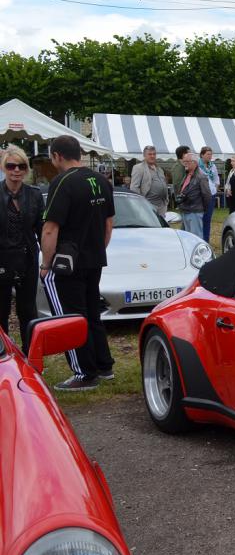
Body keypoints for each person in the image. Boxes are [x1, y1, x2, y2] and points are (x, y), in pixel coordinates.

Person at [39, 135, 115, 391]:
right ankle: (104, 366)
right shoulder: (101, 180)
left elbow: (50, 228)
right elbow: (108, 223)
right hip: (94, 258)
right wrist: (97, 249)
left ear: (57, 155)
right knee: (92, 313)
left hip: (67, 263)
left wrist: (45, 264)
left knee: (71, 317)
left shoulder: (63, 182)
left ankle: (84, 373)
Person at [0, 146, 43, 351]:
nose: (16, 170)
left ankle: (31, 353)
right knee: (1, 309)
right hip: (2, 259)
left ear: (26, 169)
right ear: (4, 168)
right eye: (11, 166)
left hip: (28, 258)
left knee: (28, 310)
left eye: (21, 166)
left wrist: (48, 260)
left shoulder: (34, 195)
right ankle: (3, 355)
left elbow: (42, 230)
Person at [177, 153, 211, 237]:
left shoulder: (201, 176)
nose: (185, 163)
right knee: (187, 237)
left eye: (187, 161)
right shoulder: (188, 174)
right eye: (184, 161)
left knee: (195, 238)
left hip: (194, 211)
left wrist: (202, 209)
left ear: (195, 162)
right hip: (186, 210)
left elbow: (207, 195)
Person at [129, 145, 169, 216]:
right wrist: (141, 203)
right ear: (144, 155)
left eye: (154, 154)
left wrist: (166, 199)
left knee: (161, 226)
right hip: (148, 204)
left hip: (162, 205)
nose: (152, 156)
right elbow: (134, 188)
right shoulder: (138, 168)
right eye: (150, 154)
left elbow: (164, 184)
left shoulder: (159, 169)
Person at [197, 147, 219, 242]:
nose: (210, 156)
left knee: (207, 219)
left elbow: (216, 179)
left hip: (211, 195)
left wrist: (215, 189)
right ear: (202, 155)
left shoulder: (212, 166)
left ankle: (205, 241)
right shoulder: (197, 165)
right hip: (200, 195)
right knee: (198, 218)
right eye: (208, 154)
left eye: (211, 154)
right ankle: (197, 239)